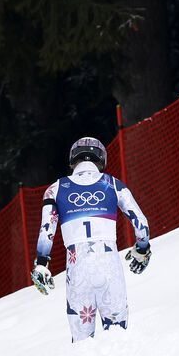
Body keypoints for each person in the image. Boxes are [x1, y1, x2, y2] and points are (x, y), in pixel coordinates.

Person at [31, 136, 151, 341]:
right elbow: (141, 223)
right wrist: (142, 249)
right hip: (109, 264)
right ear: (101, 159)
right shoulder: (113, 184)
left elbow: (46, 229)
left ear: (73, 160)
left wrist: (42, 263)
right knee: (118, 339)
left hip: (77, 267)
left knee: (82, 344)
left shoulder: (55, 188)